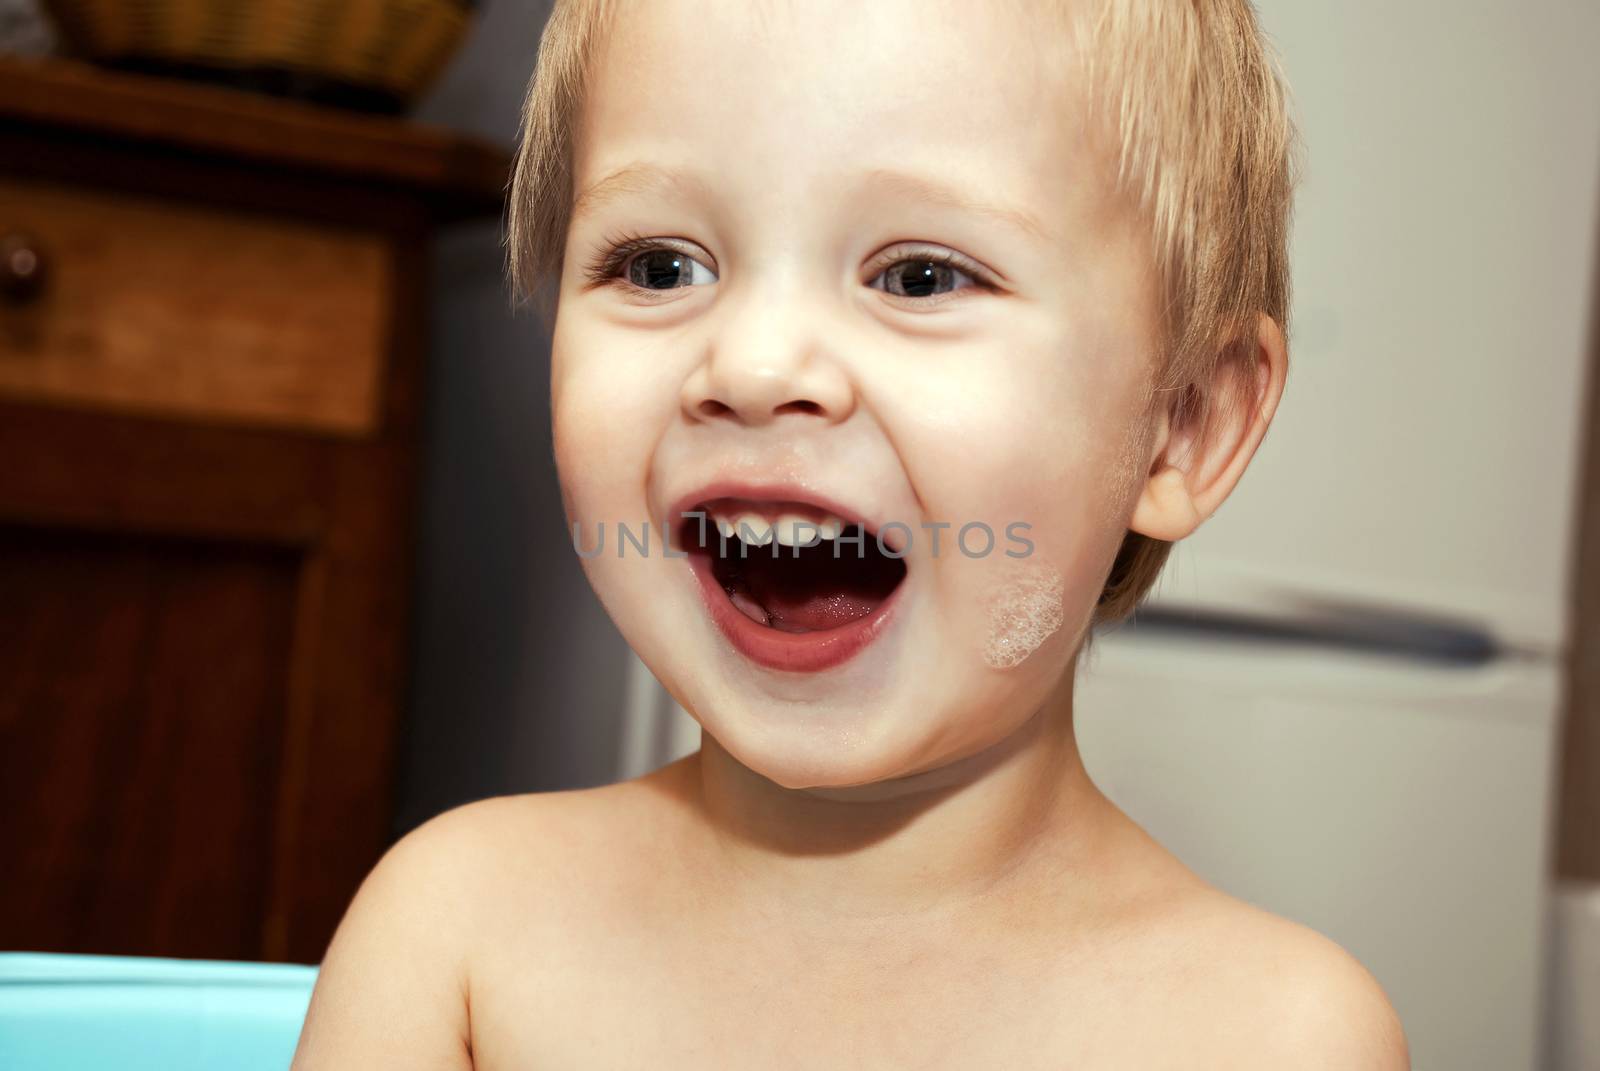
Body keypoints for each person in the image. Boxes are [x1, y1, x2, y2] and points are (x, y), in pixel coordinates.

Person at [293, 1, 1410, 1065]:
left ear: (1181, 426)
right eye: (658, 266)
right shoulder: (461, 936)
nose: (756, 366)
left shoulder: (1271, 1037)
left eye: (919, 276)